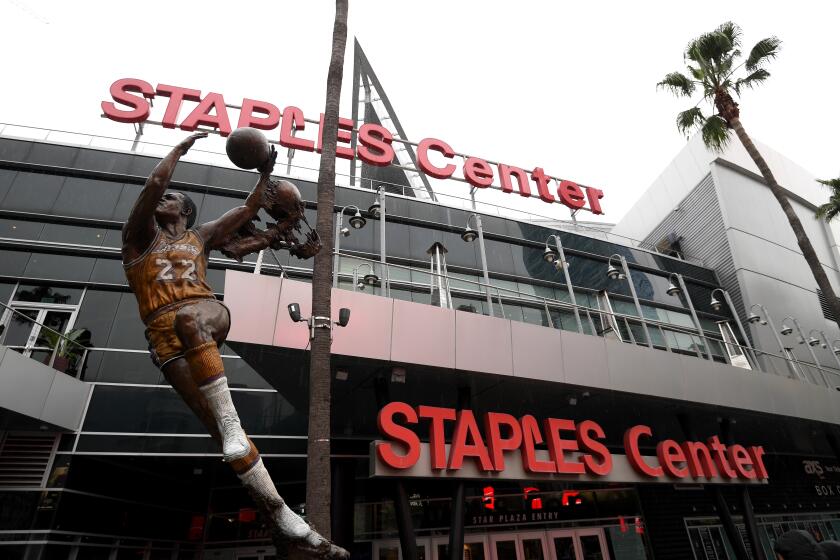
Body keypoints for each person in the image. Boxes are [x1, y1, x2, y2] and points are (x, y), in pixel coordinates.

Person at [121, 132, 347, 559]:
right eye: (162, 198)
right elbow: (151, 185)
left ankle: (230, 428)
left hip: (206, 312)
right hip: (165, 341)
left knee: (192, 321)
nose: (162, 199)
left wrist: (263, 173)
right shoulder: (138, 240)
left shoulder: (199, 237)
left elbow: (247, 209)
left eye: (172, 198)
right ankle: (288, 522)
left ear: (184, 212)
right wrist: (177, 152)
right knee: (235, 440)